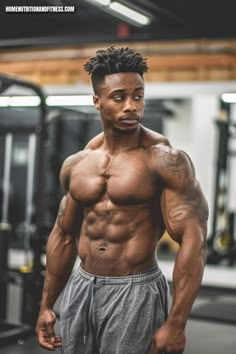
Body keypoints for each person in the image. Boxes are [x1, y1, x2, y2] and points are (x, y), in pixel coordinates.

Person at [35, 46, 209, 354]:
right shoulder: (78, 163)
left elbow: (194, 241)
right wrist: (47, 304)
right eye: (119, 97)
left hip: (135, 290)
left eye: (138, 96)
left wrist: (176, 323)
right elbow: (63, 235)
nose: (132, 106)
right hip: (81, 285)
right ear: (97, 101)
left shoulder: (164, 160)